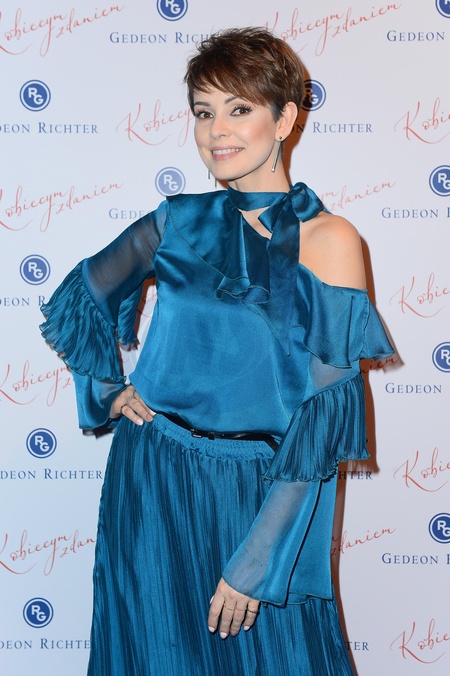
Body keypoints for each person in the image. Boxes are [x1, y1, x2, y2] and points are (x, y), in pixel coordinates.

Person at [40, 27, 394, 676]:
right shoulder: (177, 221)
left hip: (259, 493)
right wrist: (105, 390)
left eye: (239, 109)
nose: (217, 131)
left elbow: (320, 424)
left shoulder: (331, 240)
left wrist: (258, 559)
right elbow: (83, 294)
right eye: (204, 112)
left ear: (284, 119)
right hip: (152, 480)